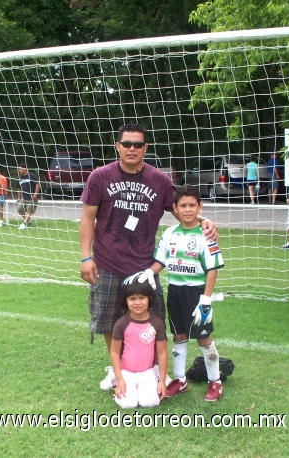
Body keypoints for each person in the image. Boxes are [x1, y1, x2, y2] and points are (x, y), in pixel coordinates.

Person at [79, 122, 217, 390]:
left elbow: (181, 210)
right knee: (110, 321)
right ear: (117, 146)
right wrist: (86, 257)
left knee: (152, 322)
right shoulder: (100, 176)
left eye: (138, 145)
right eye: (126, 144)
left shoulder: (159, 180)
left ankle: (154, 370)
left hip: (144, 267)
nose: (132, 149)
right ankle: (117, 368)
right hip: (107, 263)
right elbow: (87, 219)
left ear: (145, 148)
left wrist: (204, 221)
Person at [149, 184, 225, 402]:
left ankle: (215, 381)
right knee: (179, 336)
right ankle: (180, 380)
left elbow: (212, 269)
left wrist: (206, 300)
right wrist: (147, 273)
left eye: (193, 205)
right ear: (175, 207)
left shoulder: (206, 234)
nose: (188, 209)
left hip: (196, 293)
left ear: (200, 207)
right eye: (183, 205)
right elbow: (160, 261)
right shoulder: (169, 233)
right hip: (175, 292)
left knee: (204, 338)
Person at [109, 275, 167, 408]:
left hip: (147, 372)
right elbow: (114, 352)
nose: (137, 302)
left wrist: (162, 381)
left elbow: (162, 353)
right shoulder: (121, 323)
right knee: (128, 404)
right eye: (132, 298)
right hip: (126, 372)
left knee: (149, 402)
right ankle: (114, 382)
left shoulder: (157, 323)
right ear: (126, 301)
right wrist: (120, 379)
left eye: (142, 298)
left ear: (149, 299)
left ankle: (148, 384)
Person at [16, 163, 40, 229]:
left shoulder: (31, 175)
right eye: (18, 169)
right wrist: (18, 197)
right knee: (19, 209)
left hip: (32, 198)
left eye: (20, 169)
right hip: (24, 198)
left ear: (25, 169)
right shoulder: (19, 178)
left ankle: (24, 223)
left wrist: (35, 194)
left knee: (29, 211)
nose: (19, 171)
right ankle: (27, 220)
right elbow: (18, 188)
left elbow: (37, 184)